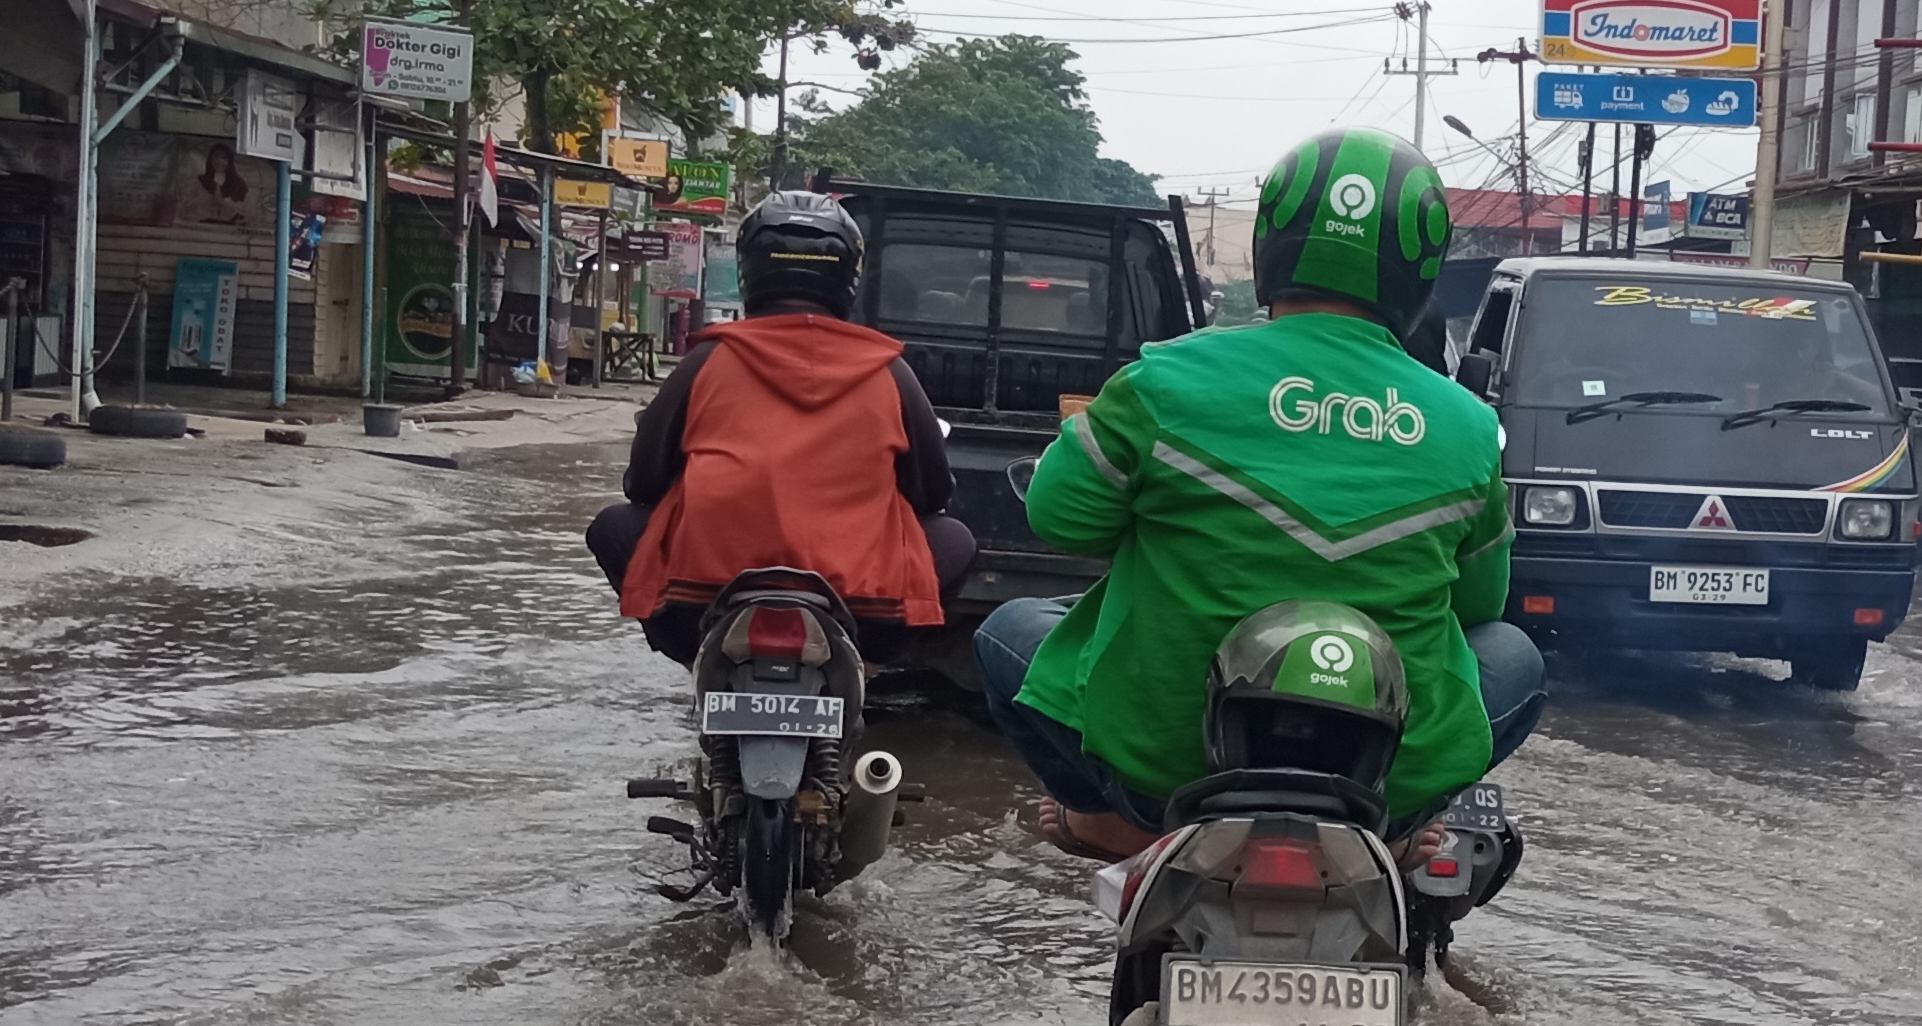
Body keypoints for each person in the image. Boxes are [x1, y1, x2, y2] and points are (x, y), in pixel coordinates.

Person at [976, 129, 1540, 856]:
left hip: (1161, 768)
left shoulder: (1165, 381)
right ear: (1421, 267)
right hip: (1382, 776)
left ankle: (1109, 818)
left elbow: (1060, 519)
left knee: (1005, 630)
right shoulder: (1467, 427)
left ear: (1270, 243)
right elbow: (1479, 607)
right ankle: (1395, 836)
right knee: (1514, 653)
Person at [585, 187, 974, 663]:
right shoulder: (890, 373)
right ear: (848, 275)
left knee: (613, 526)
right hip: (863, 609)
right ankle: (875, 662)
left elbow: (643, 484)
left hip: (702, 600)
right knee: (957, 538)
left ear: (751, 268)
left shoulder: (704, 361)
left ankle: (695, 656)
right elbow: (932, 495)